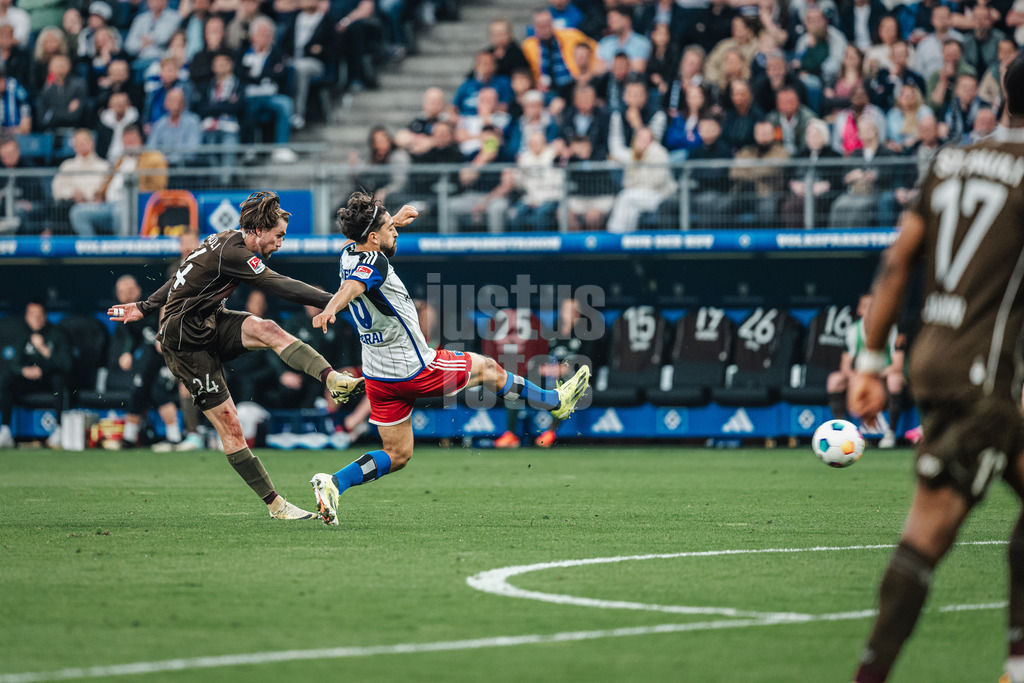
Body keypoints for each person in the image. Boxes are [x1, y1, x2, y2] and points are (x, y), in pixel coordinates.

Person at [848, 56, 1024, 683]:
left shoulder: (948, 160)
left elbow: (898, 264)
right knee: (928, 534)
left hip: (930, 361)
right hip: (989, 381)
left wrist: (870, 361)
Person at [307, 192, 591, 526]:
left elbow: (360, 251)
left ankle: (334, 483)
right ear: (373, 238)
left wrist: (391, 220)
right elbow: (353, 287)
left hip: (379, 379)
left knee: (398, 455)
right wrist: (331, 308)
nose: (395, 233)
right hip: (415, 369)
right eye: (389, 229)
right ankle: (554, 400)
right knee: (489, 368)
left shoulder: (347, 253)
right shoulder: (375, 263)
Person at [108, 191, 366, 521]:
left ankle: (333, 379)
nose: (281, 243)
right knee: (231, 427)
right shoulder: (235, 252)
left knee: (268, 328)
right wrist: (335, 300)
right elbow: (280, 284)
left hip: (209, 321)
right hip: (185, 342)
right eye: (279, 236)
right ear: (258, 229)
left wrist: (145, 306)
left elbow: (179, 276)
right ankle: (276, 506)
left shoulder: (222, 240)